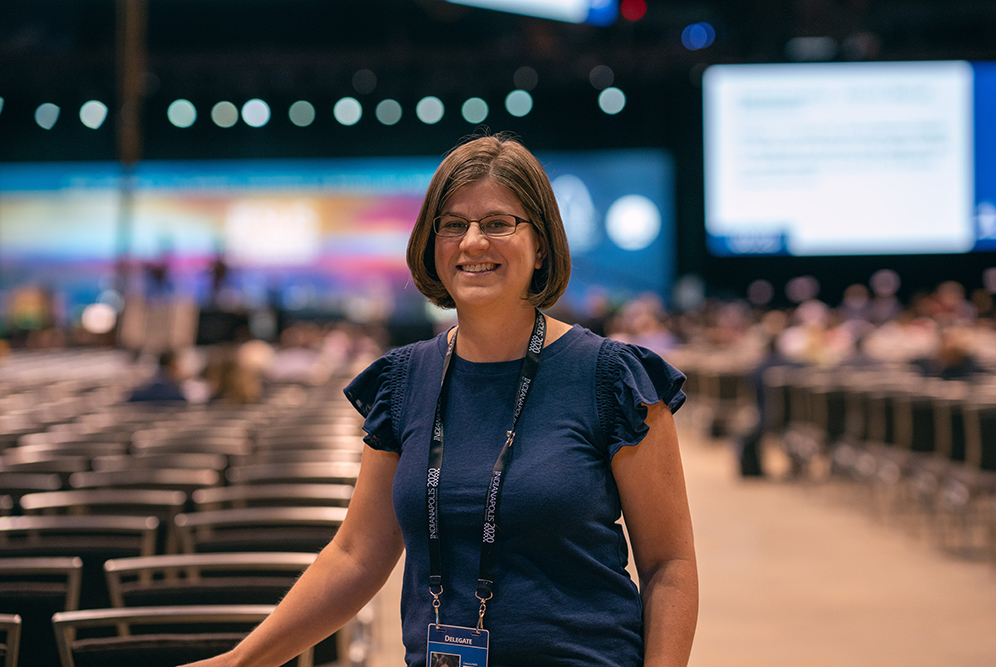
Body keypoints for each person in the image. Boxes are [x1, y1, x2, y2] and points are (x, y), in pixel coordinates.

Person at [180, 133, 698, 667]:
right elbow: (357, 556)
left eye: (498, 223)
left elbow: (669, 565)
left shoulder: (610, 377)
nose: (473, 242)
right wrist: (239, 661)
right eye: (453, 225)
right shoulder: (405, 381)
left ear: (541, 244)